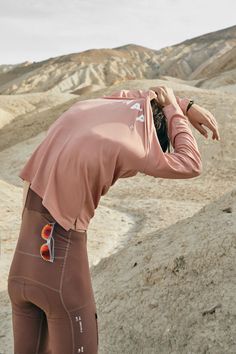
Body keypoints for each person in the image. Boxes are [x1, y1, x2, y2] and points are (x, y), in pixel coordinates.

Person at [7, 85, 220, 354]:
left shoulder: (87, 108)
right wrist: (176, 112)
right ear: (153, 138)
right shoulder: (135, 147)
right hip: (61, 275)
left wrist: (183, 105)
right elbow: (191, 162)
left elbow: (140, 96)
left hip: (20, 273)